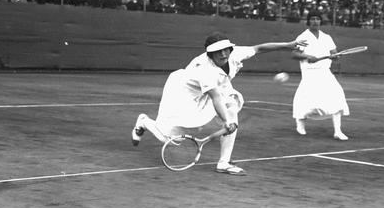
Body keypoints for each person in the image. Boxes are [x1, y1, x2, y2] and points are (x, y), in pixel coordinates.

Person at [131, 32, 306, 175]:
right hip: (183, 92)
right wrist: (227, 122)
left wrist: (289, 45)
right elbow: (215, 98)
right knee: (168, 138)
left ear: (230, 49)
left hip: (217, 88)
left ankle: (224, 163)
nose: (223, 54)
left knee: (232, 109)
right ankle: (144, 122)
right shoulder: (204, 69)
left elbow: (259, 48)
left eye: (226, 50)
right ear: (210, 54)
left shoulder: (233, 54)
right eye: (218, 52)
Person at [291, 12, 350, 140]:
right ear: (308, 21)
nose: (315, 21)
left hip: (325, 72)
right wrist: (308, 56)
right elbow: (295, 54)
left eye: (317, 19)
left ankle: (338, 131)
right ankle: (300, 123)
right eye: (312, 19)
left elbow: (334, 54)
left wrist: (336, 56)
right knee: (308, 102)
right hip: (309, 73)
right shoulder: (303, 37)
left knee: (337, 97)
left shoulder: (327, 37)